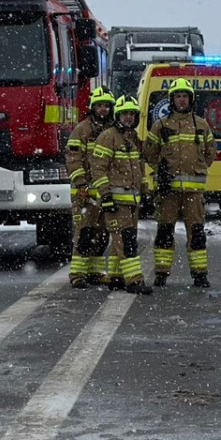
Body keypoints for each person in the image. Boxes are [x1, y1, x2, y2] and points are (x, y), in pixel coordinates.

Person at [144, 78, 216, 289]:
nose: (181, 100)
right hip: (168, 193)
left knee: (197, 233)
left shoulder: (201, 125)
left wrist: (198, 167)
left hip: (194, 193)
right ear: (172, 100)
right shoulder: (161, 126)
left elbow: (210, 153)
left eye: (185, 96)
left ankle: (200, 274)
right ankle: (161, 273)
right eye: (178, 96)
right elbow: (149, 153)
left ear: (190, 99)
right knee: (165, 232)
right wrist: (161, 168)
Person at [97, 98, 152, 294]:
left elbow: (139, 169)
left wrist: (145, 193)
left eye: (131, 114)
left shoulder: (133, 138)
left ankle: (116, 277)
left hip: (132, 202)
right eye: (124, 113)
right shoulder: (108, 137)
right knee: (126, 240)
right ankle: (134, 280)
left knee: (122, 240)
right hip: (116, 201)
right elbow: (98, 168)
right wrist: (106, 196)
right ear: (117, 116)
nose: (128, 117)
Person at [64, 88, 114, 288]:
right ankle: (77, 273)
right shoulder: (82, 130)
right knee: (84, 233)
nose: (103, 109)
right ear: (93, 107)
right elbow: (73, 159)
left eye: (107, 106)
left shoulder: (113, 131)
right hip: (84, 193)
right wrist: (81, 184)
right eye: (100, 105)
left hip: (104, 192)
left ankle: (94, 271)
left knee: (101, 234)